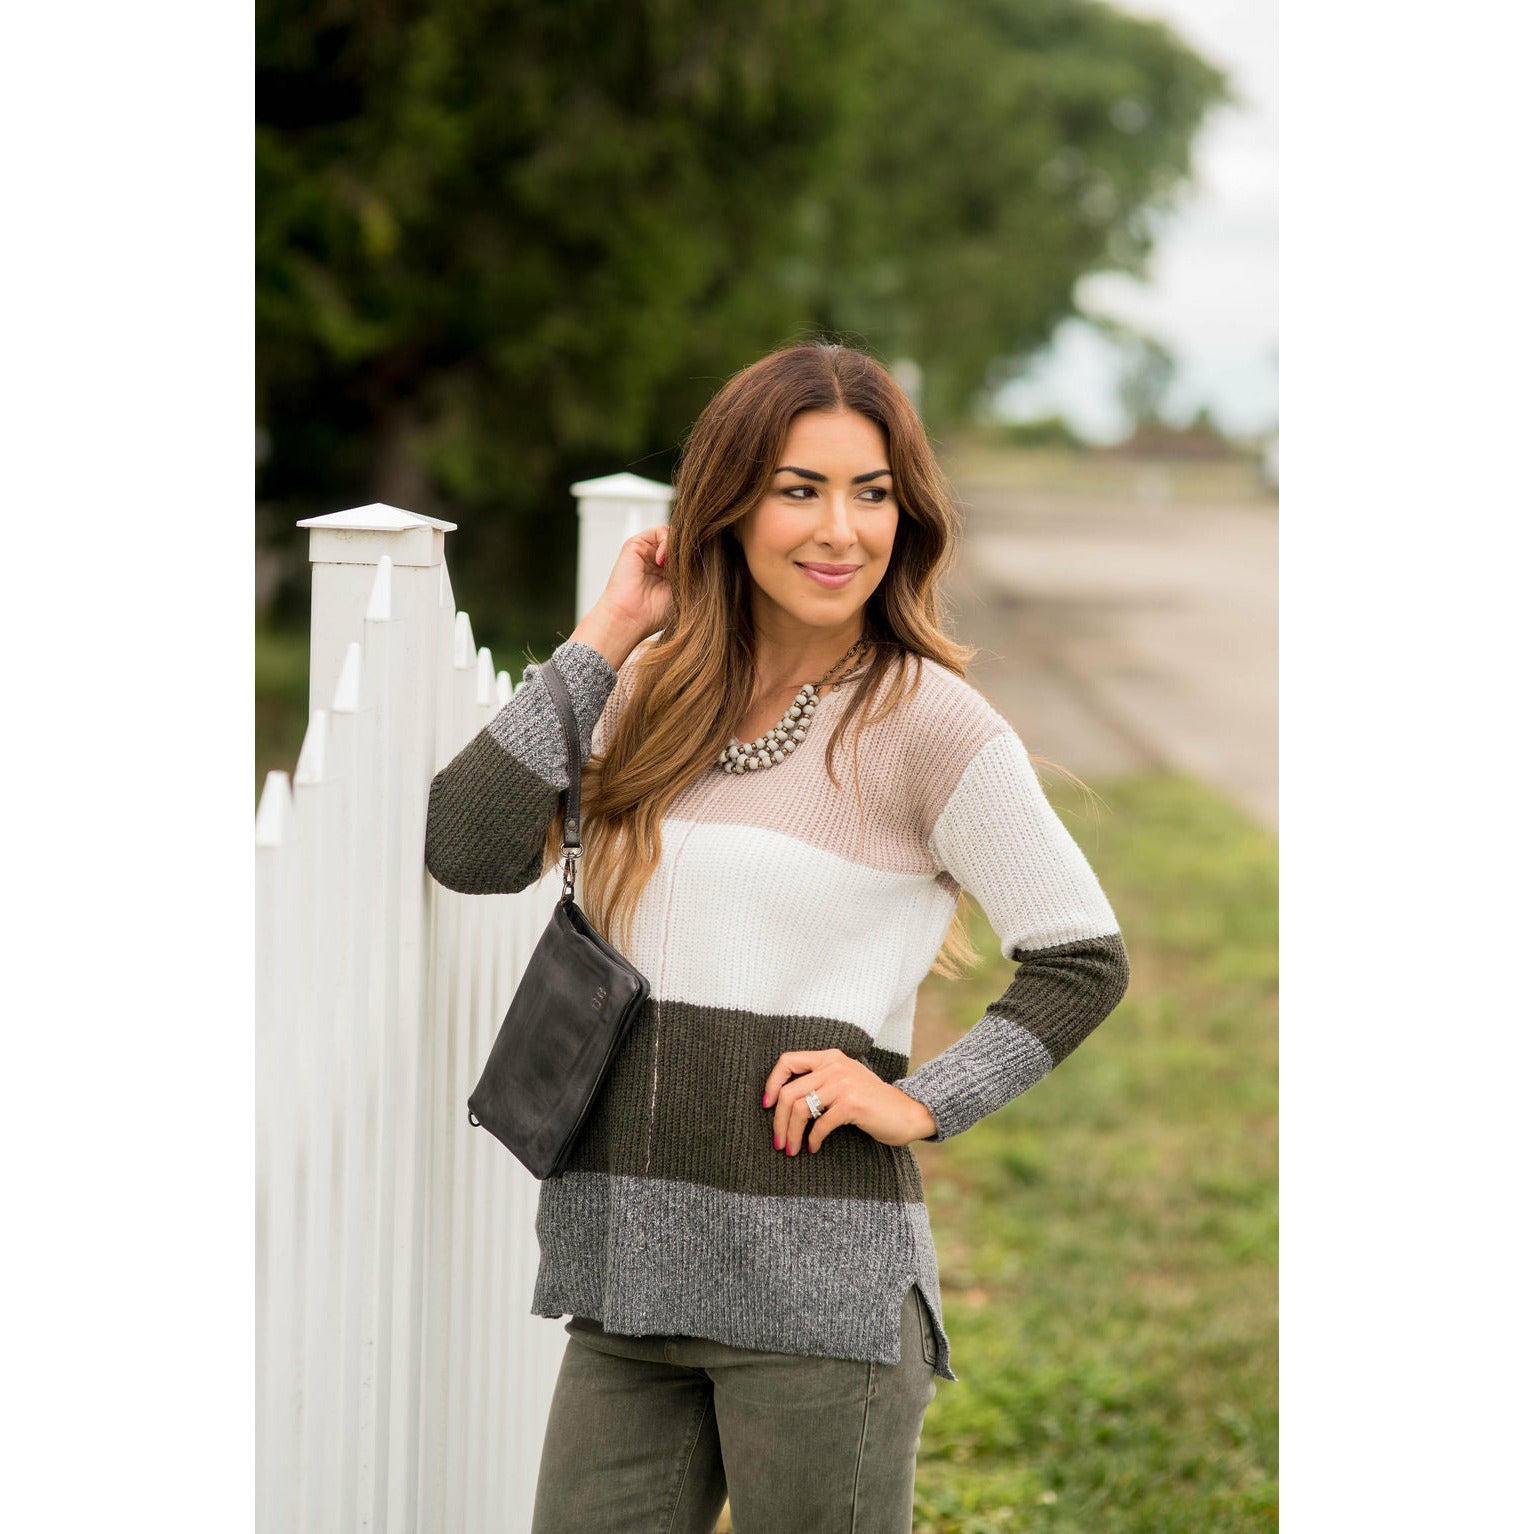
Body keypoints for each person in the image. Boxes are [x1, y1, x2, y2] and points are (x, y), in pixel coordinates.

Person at [423, 341, 1131, 1532]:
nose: (840, 529)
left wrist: (921, 1100)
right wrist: (608, 632)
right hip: (625, 1281)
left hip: (819, 1299)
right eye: (799, 489)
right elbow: (466, 846)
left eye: (871, 492)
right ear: (731, 506)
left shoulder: (931, 723)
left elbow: (1081, 957)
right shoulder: (648, 691)